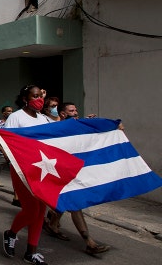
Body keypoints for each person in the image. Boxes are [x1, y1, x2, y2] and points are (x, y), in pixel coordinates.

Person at [41, 102, 109, 255]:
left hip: (73, 173)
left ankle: (52, 223)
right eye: (72, 111)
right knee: (75, 205)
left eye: (76, 109)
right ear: (63, 114)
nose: (75, 112)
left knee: (65, 201)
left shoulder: (77, 125)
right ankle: (89, 242)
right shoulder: (56, 129)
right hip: (60, 173)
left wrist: (103, 125)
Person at [2, 84, 50, 265]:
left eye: (41, 96)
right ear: (25, 99)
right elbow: (6, 143)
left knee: (40, 212)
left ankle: (31, 252)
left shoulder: (43, 119)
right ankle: (11, 233)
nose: (39, 100)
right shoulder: (16, 117)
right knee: (31, 210)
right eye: (35, 96)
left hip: (43, 170)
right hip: (23, 170)